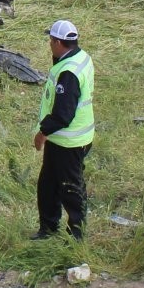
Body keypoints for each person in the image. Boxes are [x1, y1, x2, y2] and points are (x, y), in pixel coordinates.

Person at [31, 19, 94, 239]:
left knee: (70, 188)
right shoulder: (81, 58)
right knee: (48, 185)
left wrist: (42, 133)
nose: (49, 44)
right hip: (66, 139)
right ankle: (48, 228)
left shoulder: (68, 73)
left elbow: (63, 114)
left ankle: (77, 234)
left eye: (50, 40)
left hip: (69, 141)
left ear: (58, 42)